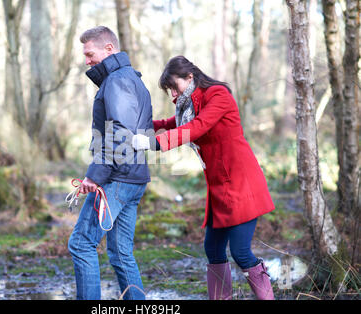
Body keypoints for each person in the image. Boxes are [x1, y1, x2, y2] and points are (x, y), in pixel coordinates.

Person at [132, 56, 276, 300]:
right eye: (169, 90)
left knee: (241, 253)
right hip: (219, 187)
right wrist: (141, 126)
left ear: (190, 78)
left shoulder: (218, 95)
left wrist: (152, 143)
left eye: (174, 87)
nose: (173, 95)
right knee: (213, 249)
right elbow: (173, 123)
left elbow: (197, 127)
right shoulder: (189, 104)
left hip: (241, 184)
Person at [67, 26, 153, 300]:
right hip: (132, 178)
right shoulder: (131, 79)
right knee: (120, 252)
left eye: (89, 53)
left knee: (81, 243)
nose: (86, 60)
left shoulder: (117, 81)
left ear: (108, 49)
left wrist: (95, 176)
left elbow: (119, 131)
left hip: (116, 179)